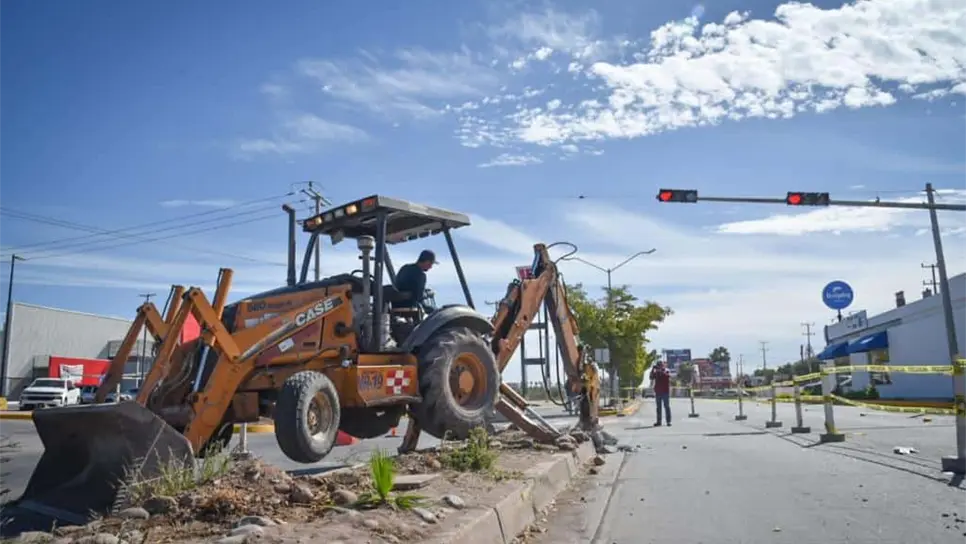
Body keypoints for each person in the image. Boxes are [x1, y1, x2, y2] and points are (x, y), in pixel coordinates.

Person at [650, 361, 672, 426]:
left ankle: (668, 421)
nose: (659, 367)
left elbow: (667, 377)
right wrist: (652, 370)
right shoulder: (656, 372)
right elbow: (651, 377)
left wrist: (660, 371)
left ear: (663, 366)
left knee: (667, 407)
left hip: (665, 392)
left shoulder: (666, 370)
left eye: (660, 365)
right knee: (658, 408)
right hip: (658, 392)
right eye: (658, 366)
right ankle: (659, 422)